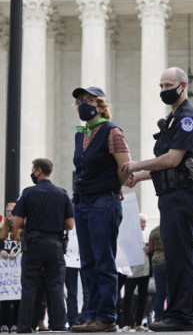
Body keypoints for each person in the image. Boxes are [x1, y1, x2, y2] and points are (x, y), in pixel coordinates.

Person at [122, 67, 193, 332]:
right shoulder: (172, 118)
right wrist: (143, 176)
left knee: (178, 257)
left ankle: (180, 316)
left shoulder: (187, 117)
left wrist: (135, 165)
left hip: (181, 196)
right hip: (172, 194)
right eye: (160, 86)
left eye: (168, 85)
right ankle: (192, 317)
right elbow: (169, 167)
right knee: (180, 255)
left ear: (183, 85)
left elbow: (172, 159)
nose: (163, 90)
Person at [69, 86, 131, 333]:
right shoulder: (80, 134)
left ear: (101, 104)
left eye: (89, 100)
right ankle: (92, 315)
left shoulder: (111, 131)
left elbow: (125, 168)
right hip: (83, 202)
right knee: (88, 262)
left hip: (103, 201)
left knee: (103, 262)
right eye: (81, 100)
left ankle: (106, 317)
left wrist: (112, 188)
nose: (84, 104)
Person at [13, 158, 74, 333]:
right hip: (55, 244)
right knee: (55, 286)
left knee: (29, 287)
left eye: (33, 170)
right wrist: (53, 226)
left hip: (33, 245)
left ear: (38, 171)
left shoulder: (28, 193)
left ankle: (24, 327)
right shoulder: (62, 193)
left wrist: (33, 226)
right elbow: (70, 225)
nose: (32, 173)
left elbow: (17, 223)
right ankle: (58, 326)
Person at [0, 202, 22, 333]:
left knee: (17, 297)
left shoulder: (22, 230)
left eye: (12, 211)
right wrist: (0, 251)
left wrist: (18, 252)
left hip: (17, 269)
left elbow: (27, 247)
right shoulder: (0, 230)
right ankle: (4, 324)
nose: (9, 213)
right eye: (7, 211)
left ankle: (15, 323)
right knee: (3, 296)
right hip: (3, 270)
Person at [122, 215, 152, 332]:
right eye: (142, 222)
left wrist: (150, 249)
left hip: (144, 270)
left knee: (142, 298)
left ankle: (138, 324)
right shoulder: (128, 235)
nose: (144, 225)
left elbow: (151, 250)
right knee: (128, 297)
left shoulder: (146, 235)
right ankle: (126, 324)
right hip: (131, 271)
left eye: (145, 223)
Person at [148, 226, 167, 323]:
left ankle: (158, 319)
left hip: (156, 262)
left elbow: (151, 249)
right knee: (170, 292)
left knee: (160, 293)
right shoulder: (170, 229)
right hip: (169, 261)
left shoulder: (153, 231)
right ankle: (170, 318)